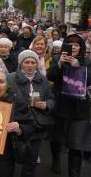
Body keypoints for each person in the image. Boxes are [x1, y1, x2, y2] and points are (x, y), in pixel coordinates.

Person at [47, 34, 91, 176]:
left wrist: (78, 67)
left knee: (76, 143)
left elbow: (89, 80)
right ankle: (56, 160)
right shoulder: (56, 58)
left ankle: (74, 173)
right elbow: (50, 76)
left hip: (79, 108)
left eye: (77, 45)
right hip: (61, 104)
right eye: (70, 44)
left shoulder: (87, 62)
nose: (73, 47)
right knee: (57, 138)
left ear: (81, 48)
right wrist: (60, 64)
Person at [9, 50, 55, 177]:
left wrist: (46, 105)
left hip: (37, 125)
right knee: (10, 159)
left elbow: (51, 99)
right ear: (21, 64)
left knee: (31, 161)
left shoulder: (43, 80)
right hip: (17, 124)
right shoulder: (11, 78)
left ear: (36, 64)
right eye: (26, 62)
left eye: (33, 62)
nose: (30, 65)